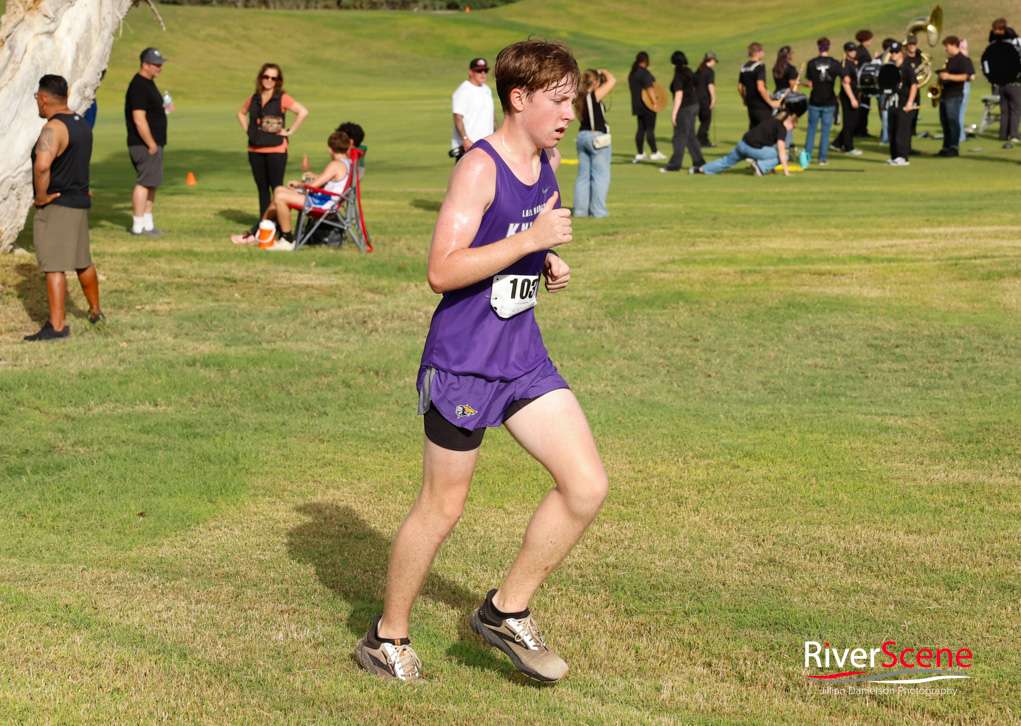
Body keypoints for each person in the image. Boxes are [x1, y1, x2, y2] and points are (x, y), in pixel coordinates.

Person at [355, 38, 607, 684]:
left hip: (522, 356)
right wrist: (529, 240)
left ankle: (504, 610)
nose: (567, 113)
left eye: (571, 100)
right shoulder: (478, 167)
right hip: (464, 361)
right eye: (556, 100)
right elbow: (441, 269)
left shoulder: (546, 159)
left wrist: (542, 259)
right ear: (517, 98)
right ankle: (386, 638)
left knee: (585, 486)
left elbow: (515, 238)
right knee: (443, 507)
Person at [25, 75, 104, 341]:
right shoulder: (82, 124)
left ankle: (57, 326)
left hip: (58, 204)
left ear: (44, 98)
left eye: (37, 98)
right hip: (81, 202)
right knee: (83, 260)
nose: (37, 102)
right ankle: (95, 311)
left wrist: (42, 196)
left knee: (54, 265)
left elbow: (42, 165)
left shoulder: (53, 128)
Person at [231, 131, 353, 250]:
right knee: (279, 190)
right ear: (347, 149)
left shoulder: (335, 165)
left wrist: (298, 184)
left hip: (324, 204)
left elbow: (313, 186)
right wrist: (314, 176)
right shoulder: (347, 163)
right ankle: (261, 232)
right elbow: (333, 179)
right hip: (328, 200)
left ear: (330, 149)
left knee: (280, 196)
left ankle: (287, 239)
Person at [235, 63, 309, 237]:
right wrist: (248, 130)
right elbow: (240, 112)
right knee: (262, 190)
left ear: (278, 81)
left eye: (273, 78)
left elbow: (302, 112)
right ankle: (265, 225)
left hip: (276, 149)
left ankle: (279, 226)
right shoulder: (254, 98)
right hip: (254, 150)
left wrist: (289, 131)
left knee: (277, 190)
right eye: (266, 77)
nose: (269, 81)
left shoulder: (282, 98)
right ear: (261, 78)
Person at [125, 47, 171, 236]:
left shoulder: (149, 83)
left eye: (161, 64)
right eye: (156, 64)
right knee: (144, 182)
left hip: (154, 142)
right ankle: (138, 225)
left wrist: (163, 107)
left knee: (152, 182)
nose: (160, 67)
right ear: (145, 65)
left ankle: (148, 224)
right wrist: (150, 143)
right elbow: (138, 117)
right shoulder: (139, 85)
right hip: (144, 144)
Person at [690, 109, 799, 177]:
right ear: (789, 122)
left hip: (742, 144)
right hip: (752, 149)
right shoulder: (782, 129)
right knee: (785, 155)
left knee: (725, 161)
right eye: (792, 127)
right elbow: (780, 150)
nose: (791, 129)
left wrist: (772, 168)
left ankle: (699, 169)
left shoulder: (772, 122)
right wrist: (786, 171)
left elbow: (767, 147)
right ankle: (759, 167)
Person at [573, 68, 615, 217]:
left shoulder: (580, 97)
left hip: (582, 137)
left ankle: (580, 211)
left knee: (583, 176)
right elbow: (613, 81)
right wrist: (604, 71)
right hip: (597, 138)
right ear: (596, 81)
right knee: (600, 176)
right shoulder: (593, 95)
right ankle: (598, 212)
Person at [660, 51, 706, 173]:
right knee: (690, 136)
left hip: (685, 107)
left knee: (679, 137)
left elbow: (679, 94)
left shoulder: (679, 76)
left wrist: (674, 113)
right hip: (694, 105)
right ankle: (699, 162)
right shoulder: (689, 72)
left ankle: (674, 165)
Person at [802, 38, 843, 166]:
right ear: (829, 47)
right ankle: (822, 158)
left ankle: (807, 157)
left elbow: (810, 83)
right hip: (829, 101)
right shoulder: (835, 63)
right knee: (825, 131)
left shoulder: (811, 63)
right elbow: (844, 78)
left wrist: (800, 83)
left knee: (811, 130)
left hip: (814, 100)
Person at [935, 36, 976, 157]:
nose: (945, 49)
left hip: (954, 95)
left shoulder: (963, 60)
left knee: (953, 120)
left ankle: (954, 147)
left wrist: (948, 77)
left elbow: (965, 77)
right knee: (945, 122)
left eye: (947, 46)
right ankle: (946, 146)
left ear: (954, 45)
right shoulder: (950, 60)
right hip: (945, 94)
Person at [451, 57, 497, 160]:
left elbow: (491, 116)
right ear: (471, 72)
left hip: (487, 146)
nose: (483, 73)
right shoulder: (463, 91)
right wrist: (465, 139)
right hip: (469, 146)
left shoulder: (487, 89)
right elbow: (458, 117)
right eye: (479, 71)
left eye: (485, 70)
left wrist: (497, 134)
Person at [629, 52, 667, 162]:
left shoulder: (633, 73)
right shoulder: (644, 73)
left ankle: (640, 153)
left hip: (637, 105)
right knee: (650, 128)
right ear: (646, 60)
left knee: (641, 129)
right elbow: (650, 89)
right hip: (647, 105)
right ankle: (655, 152)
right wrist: (655, 103)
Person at [886, 42, 918, 166]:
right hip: (893, 103)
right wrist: (884, 102)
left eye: (896, 52)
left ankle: (903, 156)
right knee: (892, 130)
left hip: (904, 104)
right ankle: (894, 155)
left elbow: (914, 86)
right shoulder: (891, 68)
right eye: (892, 52)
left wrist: (910, 102)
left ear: (901, 53)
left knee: (902, 131)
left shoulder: (907, 68)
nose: (894, 54)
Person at [989, 18, 1021, 142]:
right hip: (1011, 82)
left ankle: (1005, 135)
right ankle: (1012, 135)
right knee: (1012, 110)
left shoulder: (997, 42)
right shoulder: (1016, 41)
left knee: (1008, 110)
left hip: (1007, 81)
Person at [739, 42, 780, 130]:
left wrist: (745, 99)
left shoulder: (744, 67)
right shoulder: (760, 66)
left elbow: (740, 87)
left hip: (751, 104)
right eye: (762, 51)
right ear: (757, 52)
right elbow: (760, 87)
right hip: (762, 105)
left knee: (753, 131)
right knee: (765, 132)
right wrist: (771, 102)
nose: (763, 54)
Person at [833, 42, 862, 154]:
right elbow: (845, 82)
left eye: (854, 50)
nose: (853, 52)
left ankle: (837, 143)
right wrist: (852, 99)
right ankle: (848, 147)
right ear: (846, 51)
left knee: (853, 122)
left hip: (855, 95)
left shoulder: (852, 63)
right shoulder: (844, 64)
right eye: (850, 50)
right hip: (848, 96)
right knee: (849, 122)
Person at [694, 52, 717, 147]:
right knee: (706, 120)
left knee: (702, 120)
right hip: (704, 99)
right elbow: (710, 85)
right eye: (714, 61)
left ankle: (700, 139)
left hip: (696, 98)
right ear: (711, 60)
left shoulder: (698, 71)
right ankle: (702, 140)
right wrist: (713, 97)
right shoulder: (709, 72)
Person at [854, 30, 875, 137]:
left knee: (865, 107)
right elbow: (856, 65)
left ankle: (862, 129)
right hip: (862, 85)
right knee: (863, 107)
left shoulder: (862, 50)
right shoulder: (860, 51)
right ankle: (860, 130)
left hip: (865, 84)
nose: (871, 41)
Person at [958, 38, 973, 143]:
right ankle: (960, 135)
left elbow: (971, 76)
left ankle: (960, 135)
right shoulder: (966, 59)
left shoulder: (959, 59)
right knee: (960, 112)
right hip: (964, 86)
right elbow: (972, 77)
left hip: (960, 86)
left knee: (958, 112)